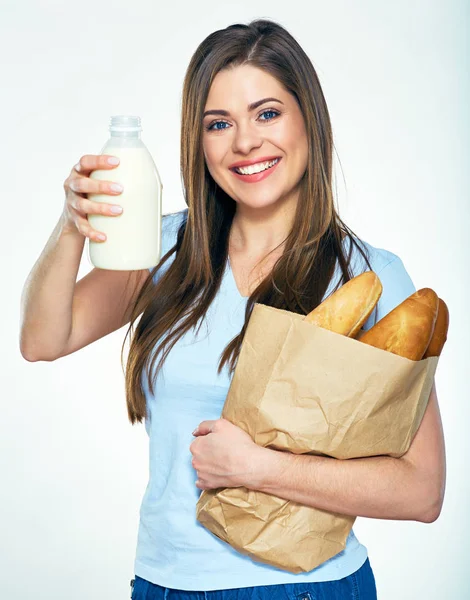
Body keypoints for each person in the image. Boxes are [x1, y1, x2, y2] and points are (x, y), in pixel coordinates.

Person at [20, 18, 446, 600]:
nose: (244, 142)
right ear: (199, 143)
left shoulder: (368, 278)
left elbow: (421, 491)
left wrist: (258, 468)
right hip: (163, 583)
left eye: (267, 114)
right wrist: (72, 224)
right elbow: (43, 339)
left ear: (308, 121)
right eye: (219, 124)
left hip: (303, 589)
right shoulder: (166, 250)